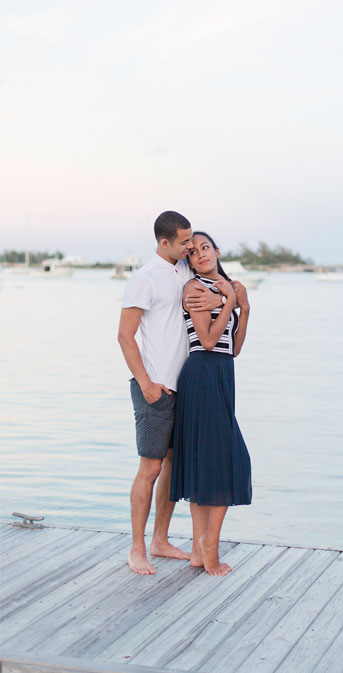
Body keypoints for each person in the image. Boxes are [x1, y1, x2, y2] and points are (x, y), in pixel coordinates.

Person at [117, 211, 224, 575]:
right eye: (184, 242)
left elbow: (218, 285)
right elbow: (124, 336)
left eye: (192, 241)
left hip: (188, 387)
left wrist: (231, 298)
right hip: (155, 387)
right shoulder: (144, 279)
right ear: (164, 242)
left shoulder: (184, 270)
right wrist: (146, 384)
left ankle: (160, 540)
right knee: (149, 468)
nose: (190, 247)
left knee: (172, 467)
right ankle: (137, 549)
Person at [169, 231, 252, 576]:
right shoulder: (195, 288)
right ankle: (210, 549)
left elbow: (233, 348)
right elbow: (205, 340)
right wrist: (229, 302)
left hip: (222, 372)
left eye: (205, 247)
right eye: (193, 252)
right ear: (189, 262)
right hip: (202, 373)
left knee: (208, 460)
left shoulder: (228, 286)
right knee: (229, 460)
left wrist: (243, 307)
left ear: (217, 251)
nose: (200, 254)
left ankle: (198, 551)